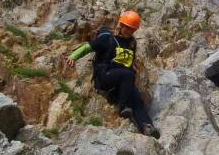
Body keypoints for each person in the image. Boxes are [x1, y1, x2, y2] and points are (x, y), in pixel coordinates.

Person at [65, 10, 160, 138]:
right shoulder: (108, 39)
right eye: (126, 27)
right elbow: (88, 47)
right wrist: (73, 56)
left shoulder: (131, 44)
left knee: (136, 97)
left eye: (132, 29)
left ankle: (147, 127)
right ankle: (123, 107)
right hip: (105, 77)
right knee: (128, 75)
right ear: (121, 25)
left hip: (121, 83)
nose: (128, 31)